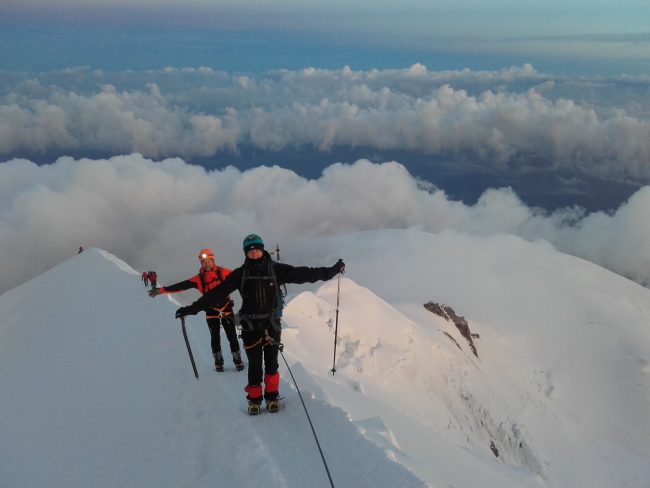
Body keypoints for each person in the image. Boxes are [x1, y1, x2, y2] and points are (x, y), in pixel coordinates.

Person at [175, 234, 345, 415]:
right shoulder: (240, 274)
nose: (254, 253)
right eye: (250, 251)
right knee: (255, 365)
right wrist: (191, 309)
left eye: (257, 250)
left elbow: (305, 274)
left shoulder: (276, 270)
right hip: (251, 327)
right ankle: (254, 400)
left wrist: (331, 271)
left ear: (262, 249)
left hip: (271, 325)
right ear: (246, 253)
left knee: (272, 364)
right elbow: (216, 294)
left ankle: (272, 397)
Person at [149, 249, 244, 372]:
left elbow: (241, 279)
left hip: (226, 308)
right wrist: (161, 290)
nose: (206, 264)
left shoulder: (224, 272)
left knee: (232, 336)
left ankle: (238, 360)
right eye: (203, 262)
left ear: (213, 260)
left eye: (208, 261)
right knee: (215, 337)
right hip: (211, 311)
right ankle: (218, 362)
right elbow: (180, 286)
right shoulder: (199, 279)